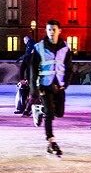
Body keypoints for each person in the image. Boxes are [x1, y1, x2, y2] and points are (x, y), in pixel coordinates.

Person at [29, 19, 72, 156]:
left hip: (59, 85)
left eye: (54, 29)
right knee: (50, 114)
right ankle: (51, 141)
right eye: (49, 30)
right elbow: (33, 69)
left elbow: (69, 68)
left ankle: (40, 110)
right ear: (46, 31)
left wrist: (66, 83)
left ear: (59, 31)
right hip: (44, 85)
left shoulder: (65, 48)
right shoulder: (39, 47)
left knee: (59, 113)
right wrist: (33, 89)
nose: (51, 32)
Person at [14, 34, 36, 115]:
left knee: (29, 92)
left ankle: (23, 108)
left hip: (32, 78)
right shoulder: (31, 56)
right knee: (27, 92)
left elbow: (22, 68)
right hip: (32, 78)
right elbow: (22, 68)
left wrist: (22, 79)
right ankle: (24, 108)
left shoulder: (30, 49)